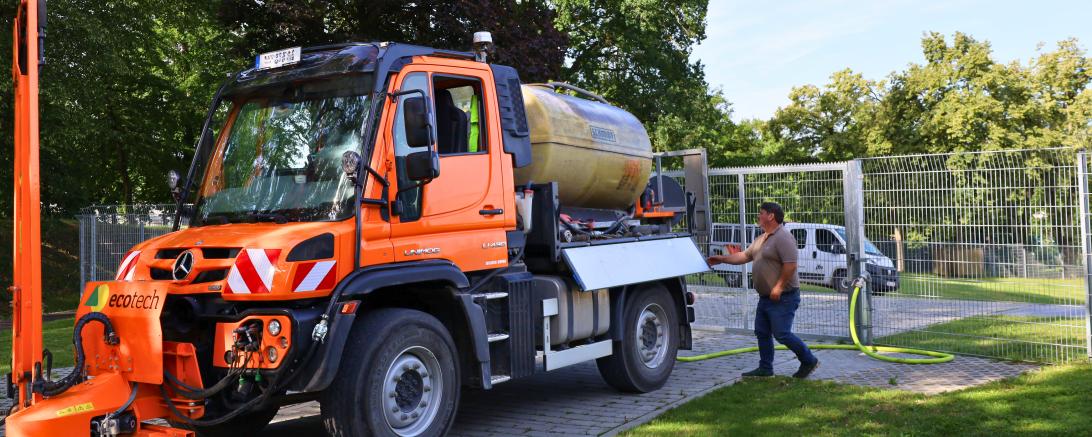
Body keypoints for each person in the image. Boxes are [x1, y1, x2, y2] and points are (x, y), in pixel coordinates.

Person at [707, 202, 819, 378]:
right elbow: (744, 256)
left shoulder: (783, 237)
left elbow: (790, 266)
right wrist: (721, 258)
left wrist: (778, 288)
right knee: (762, 332)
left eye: (761, 213)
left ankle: (808, 360)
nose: (758, 216)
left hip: (783, 296)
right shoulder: (762, 238)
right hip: (766, 297)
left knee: (782, 334)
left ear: (771, 216)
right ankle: (765, 369)